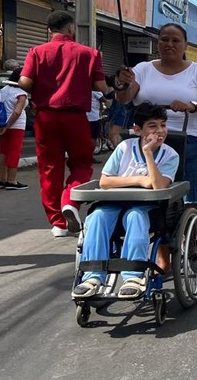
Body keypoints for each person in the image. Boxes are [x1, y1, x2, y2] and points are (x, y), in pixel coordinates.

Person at [71, 103, 180, 300]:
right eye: (153, 126)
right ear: (138, 130)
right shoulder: (124, 147)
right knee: (96, 217)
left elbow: (159, 186)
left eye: (163, 125)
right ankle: (93, 275)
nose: (160, 131)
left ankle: (133, 276)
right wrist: (139, 180)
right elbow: (105, 181)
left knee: (136, 217)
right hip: (114, 202)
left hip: (145, 206)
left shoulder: (170, 155)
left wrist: (148, 153)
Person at [19, 11, 111, 237]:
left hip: (45, 116)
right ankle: (70, 200)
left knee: (50, 168)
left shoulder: (36, 52)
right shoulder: (89, 54)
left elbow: (24, 83)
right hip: (75, 116)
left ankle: (58, 222)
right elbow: (101, 86)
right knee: (82, 163)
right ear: (71, 29)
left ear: (49, 30)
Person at [114, 23, 197, 212]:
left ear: (185, 45)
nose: (169, 44)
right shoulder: (142, 69)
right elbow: (124, 98)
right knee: (145, 192)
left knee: (190, 197)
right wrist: (122, 84)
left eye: (175, 40)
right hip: (147, 141)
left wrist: (191, 106)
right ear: (157, 44)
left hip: (190, 139)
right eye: (164, 39)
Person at [0, 70, 29, 190]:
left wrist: (1, 125)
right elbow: (17, 112)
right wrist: (8, 126)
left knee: (3, 151)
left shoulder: (3, 91)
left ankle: (1, 180)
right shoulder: (21, 93)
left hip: (2, 123)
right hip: (16, 126)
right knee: (14, 151)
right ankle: (11, 181)